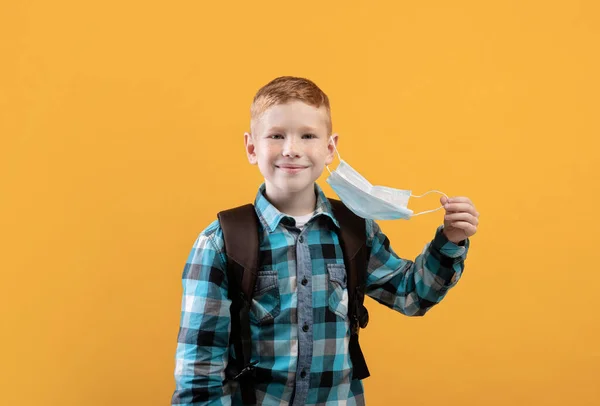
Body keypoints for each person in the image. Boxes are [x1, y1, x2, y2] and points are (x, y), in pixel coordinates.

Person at [171, 76, 480, 405]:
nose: (291, 149)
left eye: (308, 136)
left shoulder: (354, 230)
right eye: (276, 135)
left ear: (330, 148)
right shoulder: (221, 242)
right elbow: (199, 372)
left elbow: (411, 294)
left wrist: (451, 239)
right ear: (251, 147)